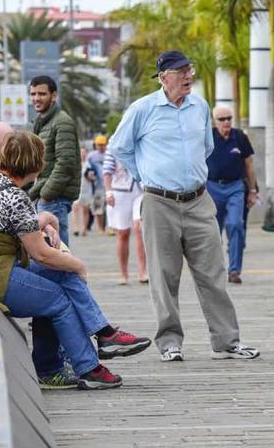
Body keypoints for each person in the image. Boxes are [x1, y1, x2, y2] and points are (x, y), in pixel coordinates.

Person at [0, 131, 151, 390]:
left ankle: (103, 335)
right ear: (37, 165)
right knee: (57, 298)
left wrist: (47, 231)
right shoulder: (14, 197)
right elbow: (41, 254)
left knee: (63, 277)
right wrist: (80, 265)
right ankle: (87, 367)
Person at [108, 49, 259, 363]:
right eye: (180, 71)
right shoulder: (142, 109)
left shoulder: (200, 106)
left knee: (213, 272)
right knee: (164, 276)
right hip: (158, 201)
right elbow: (119, 147)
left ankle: (227, 342)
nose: (188, 76)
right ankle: (170, 343)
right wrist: (145, 176)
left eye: (189, 69)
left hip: (198, 200)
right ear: (164, 77)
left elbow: (205, 147)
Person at [206, 105, 258, 284]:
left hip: (235, 187)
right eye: (222, 119)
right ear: (214, 121)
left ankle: (234, 270)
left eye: (229, 118)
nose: (226, 122)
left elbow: (249, 165)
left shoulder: (240, 137)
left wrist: (252, 190)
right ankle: (214, 270)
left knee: (236, 224)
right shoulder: (208, 137)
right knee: (213, 231)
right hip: (212, 187)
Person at [27, 75, 81, 246]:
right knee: (49, 254)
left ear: (54, 96)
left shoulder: (62, 122)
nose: (36, 98)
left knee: (57, 255)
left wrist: (45, 196)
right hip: (46, 197)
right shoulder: (42, 122)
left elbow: (66, 164)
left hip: (53, 200)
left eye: (42, 94)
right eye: (33, 94)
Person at [103, 151, 148, 285]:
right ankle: (124, 273)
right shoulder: (114, 143)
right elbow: (107, 171)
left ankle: (143, 271)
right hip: (120, 192)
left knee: (139, 228)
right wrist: (108, 192)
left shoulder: (141, 140)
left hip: (140, 191)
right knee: (123, 233)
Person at [86, 135, 109, 233]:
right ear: (95, 145)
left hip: (110, 185)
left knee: (109, 209)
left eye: (102, 144)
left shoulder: (109, 154)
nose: (101, 147)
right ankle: (100, 228)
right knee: (98, 208)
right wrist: (89, 175)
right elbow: (87, 169)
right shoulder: (91, 156)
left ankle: (109, 227)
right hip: (98, 185)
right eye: (99, 145)